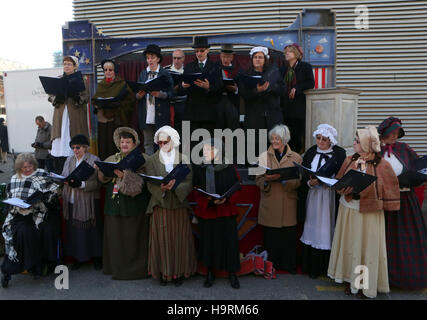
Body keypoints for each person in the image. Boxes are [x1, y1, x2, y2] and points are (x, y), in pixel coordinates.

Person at [328, 126, 400, 299]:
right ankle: (348, 278)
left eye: (357, 141)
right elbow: (338, 182)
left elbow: (391, 189)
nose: (354, 143)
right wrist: (343, 189)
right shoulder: (349, 160)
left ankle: (364, 284)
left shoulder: (382, 165)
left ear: (367, 144)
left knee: (367, 249)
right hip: (349, 209)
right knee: (350, 245)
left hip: (370, 213)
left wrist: (370, 190)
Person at [377, 117, 427, 290]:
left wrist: (416, 177)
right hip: (386, 202)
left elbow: (418, 166)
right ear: (383, 134)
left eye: (397, 133)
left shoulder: (404, 149)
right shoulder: (375, 151)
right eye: (392, 133)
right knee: (387, 239)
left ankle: (409, 279)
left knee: (408, 239)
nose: (395, 136)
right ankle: (386, 278)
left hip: (406, 201)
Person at [96, 127, 151, 280]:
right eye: (122, 142)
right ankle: (115, 269)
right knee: (115, 238)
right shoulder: (111, 158)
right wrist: (102, 171)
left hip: (134, 205)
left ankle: (136, 271)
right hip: (114, 205)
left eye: (128, 142)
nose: (124, 144)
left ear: (134, 143)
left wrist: (125, 176)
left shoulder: (143, 158)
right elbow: (102, 180)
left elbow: (145, 182)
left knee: (133, 238)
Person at [145, 125, 197, 286]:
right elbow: (149, 183)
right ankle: (163, 272)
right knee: (162, 241)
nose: (162, 145)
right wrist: (161, 189)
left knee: (179, 240)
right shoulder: (152, 159)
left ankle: (180, 272)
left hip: (179, 204)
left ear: (173, 141)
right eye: (159, 143)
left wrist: (175, 187)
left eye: (165, 142)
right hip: (160, 204)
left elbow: (189, 181)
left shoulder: (184, 158)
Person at [1, 153, 60, 288]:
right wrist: (18, 206)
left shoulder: (41, 175)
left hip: (38, 212)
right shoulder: (14, 179)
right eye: (23, 167)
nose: (27, 169)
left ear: (34, 165)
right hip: (18, 215)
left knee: (39, 229)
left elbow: (54, 192)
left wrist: (45, 197)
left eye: (30, 166)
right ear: (18, 168)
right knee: (22, 232)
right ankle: (11, 269)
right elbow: (10, 199)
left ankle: (37, 266)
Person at [192, 138, 241, 289]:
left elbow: (238, 186)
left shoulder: (229, 167)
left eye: (209, 149)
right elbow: (196, 191)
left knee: (229, 243)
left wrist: (227, 199)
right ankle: (210, 273)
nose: (205, 152)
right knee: (209, 243)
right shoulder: (200, 168)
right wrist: (209, 202)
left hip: (226, 210)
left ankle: (232, 273)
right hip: (208, 212)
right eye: (205, 149)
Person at [299, 124, 346, 279]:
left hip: (328, 196)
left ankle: (325, 266)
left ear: (330, 140)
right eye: (318, 138)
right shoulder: (311, 152)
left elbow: (342, 175)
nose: (320, 142)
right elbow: (305, 173)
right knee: (311, 225)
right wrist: (309, 182)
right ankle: (310, 266)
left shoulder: (339, 154)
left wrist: (327, 181)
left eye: (324, 139)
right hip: (313, 196)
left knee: (326, 226)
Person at [255, 124, 302, 273]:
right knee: (272, 237)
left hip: (288, 202)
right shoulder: (262, 156)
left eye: (278, 139)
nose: (274, 141)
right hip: (270, 202)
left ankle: (288, 265)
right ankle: (271, 266)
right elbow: (258, 180)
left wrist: (283, 179)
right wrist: (268, 180)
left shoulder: (296, 157)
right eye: (272, 138)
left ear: (285, 139)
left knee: (288, 237)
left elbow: (299, 181)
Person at [61, 134, 103, 271]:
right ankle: (79, 258)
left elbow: (98, 183)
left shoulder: (94, 159)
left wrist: (82, 184)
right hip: (72, 199)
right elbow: (64, 176)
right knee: (75, 232)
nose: (75, 150)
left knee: (91, 231)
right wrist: (64, 180)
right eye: (73, 147)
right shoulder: (69, 159)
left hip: (88, 201)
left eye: (78, 147)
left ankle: (96, 257)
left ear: (85, 147)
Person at [239, 47, 284, 157]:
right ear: (251, 59)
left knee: (273, 148)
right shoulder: (246, 75)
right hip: (254, 118)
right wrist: (257, 90)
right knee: (255, 150)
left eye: (260, 57)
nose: (258, 60)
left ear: (265, 59)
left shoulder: (273, 73)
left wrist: (270, 87)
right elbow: (243, 93)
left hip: (272, 117)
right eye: (255, 57)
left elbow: (283, 90)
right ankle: (256, 173)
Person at [49, 56, 89, 174]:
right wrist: (56, 98)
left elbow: (86, 96)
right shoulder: (58, 79)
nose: (66, 66)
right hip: (60, 115)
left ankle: (74, 169)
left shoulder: (82, 80)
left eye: (69, 64)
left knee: (73, 138)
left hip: (75, 115)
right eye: (65, 64)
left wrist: (77, 97)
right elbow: (50, 96)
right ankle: (60, 173)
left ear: (75, 66)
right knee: (60, 140)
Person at [92, 59, 136, 161]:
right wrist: (97, 105)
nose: (107, 72)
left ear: (114, 71)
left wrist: (118, 104)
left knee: (115, 143)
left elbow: (131, 99)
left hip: (117, 120)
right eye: (105, 70)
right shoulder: (101, 85)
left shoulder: (121, 84)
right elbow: (95, 99)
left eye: (110, 70)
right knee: (104, 144)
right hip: (103, 120)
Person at [136, 44, 174, 155]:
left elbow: (172, 93)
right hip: (146, 113)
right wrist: (139, 95)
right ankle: (150, 168)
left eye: (152, 57)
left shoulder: (164, 73)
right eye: (148, 58)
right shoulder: (143, 74)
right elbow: (136, 93)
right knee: (148, 143)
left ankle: (161, 167)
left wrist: (160, 94)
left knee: (162, 142)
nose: (150, 60)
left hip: (160, 114)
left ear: (158, 58)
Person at [182, 36, 223, 136]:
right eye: (197, 51)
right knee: (193, 143)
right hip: (192, 111)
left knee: (208, 143)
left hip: (208, 112)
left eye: (202, 51)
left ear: (207, 50)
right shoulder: (188, 66)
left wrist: (209, 87)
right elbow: (182, 89)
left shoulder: (215, 66)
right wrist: (183, 86)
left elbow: (220, 87)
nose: (199, 53)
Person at [280, 43, 315, 154]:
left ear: (296, 54)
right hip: (285, 107)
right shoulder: (283, 69)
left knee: (297, 134)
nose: (286, 54)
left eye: (289, 52)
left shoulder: (305, 67)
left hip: (299, 106)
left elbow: (310, 83)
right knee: (286, 134)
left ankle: (297, 156)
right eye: (285, 52)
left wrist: (297, 88)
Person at [216, 44, 240, 131]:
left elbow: (242, 87)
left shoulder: (238, 70)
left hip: (232, 103)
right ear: (220, 56)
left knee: (232, 131)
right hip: (218, 103)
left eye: (228, 57)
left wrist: (236, 89)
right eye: (223, 57)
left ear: (232, 57)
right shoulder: (215, 68)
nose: (225, 59)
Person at [165, 49, 187, 138]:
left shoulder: (188, 69)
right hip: (169, 104)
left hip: (184, 104)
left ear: (183, 59)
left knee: (183, 132)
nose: (176, 61)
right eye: (174, 58)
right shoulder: (165, 70)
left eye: (179, 58)